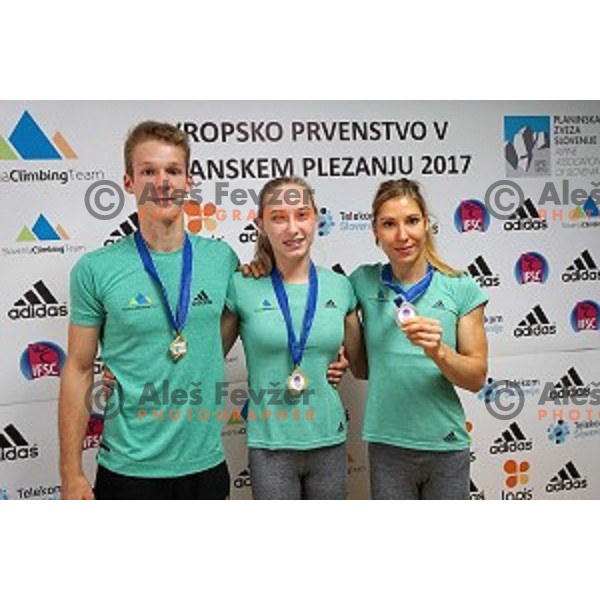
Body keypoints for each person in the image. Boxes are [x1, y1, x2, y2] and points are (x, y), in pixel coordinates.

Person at [59, 121, 239, 500]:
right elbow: (77, 368)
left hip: (205, 466)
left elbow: (253, 319)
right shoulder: (96, 269)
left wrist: (330, 356)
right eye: (148, 171)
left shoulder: (222, 259)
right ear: (128, 182)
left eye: (173, 170)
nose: (162, 182)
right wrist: (71, 473)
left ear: (189, 180)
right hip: (127, 468)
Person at [221, 176, 366, 499]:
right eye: (278, 217)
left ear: (316, 218)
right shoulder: (242, 285)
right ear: (260, 224)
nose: (292, 228)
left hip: (328, 441)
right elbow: (206, 354)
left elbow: (363, 367)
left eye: (302, 214)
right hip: (270, 446)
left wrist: (342, 358)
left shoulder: (340, 287)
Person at [349, 179, 488, 500]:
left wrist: (439, 351)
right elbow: (313, 290)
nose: (402, 235)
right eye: (389, 224)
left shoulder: (460, 287)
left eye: (412, 221)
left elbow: (476, 377)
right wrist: (262, 263)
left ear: (426, 224)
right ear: (375, 232)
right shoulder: (362, 282)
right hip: (388, 444)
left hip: (445, 443)